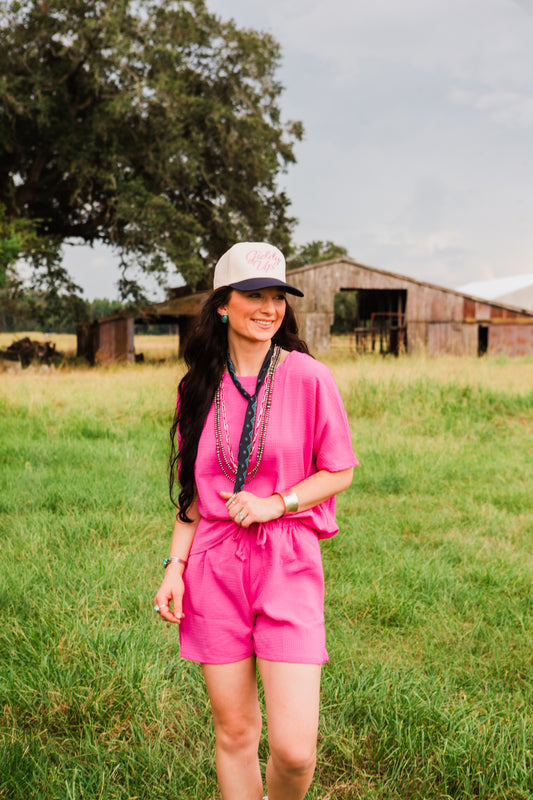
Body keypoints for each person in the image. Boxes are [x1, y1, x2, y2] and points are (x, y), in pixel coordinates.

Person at [154, 242, 358, 800]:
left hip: (287, 560)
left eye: (277, 297)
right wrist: (175, 566)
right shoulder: (196, 387)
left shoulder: (309, 378)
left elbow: (338, 470)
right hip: (214, 566)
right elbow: (194, 495)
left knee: (294, 751)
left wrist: (280, 502)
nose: (269, 307)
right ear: (223, 304)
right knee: (236, 732)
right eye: (254, 295)